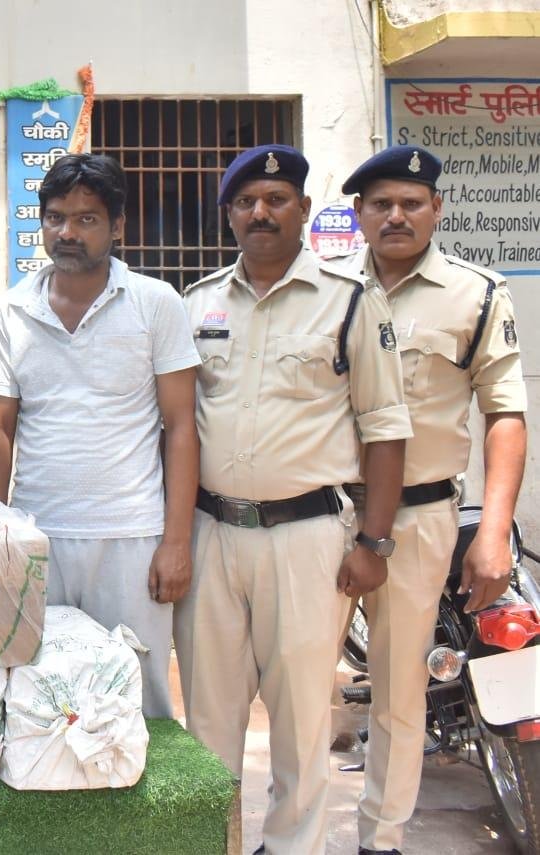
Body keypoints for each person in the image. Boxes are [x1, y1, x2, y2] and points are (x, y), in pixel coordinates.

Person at [174, 144, 411, 854]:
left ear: (304, 210)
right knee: (208, 719)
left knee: (302, 717)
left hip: (308, 537)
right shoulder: (196, 303)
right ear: (227, 215)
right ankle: (212, 843)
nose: (261, 212)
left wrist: (374, 543)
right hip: (211, 532)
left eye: (276, 200)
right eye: (246, 202)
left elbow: (385, 429)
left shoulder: (351, 301)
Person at [335, 144, 526, 855]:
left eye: (411, 203)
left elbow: (504, 414)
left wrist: (494, 532)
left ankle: (381, 839)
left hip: (419, 517)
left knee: (399, 685)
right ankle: (294, 831)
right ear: (359, 213)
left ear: (437, 209)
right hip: (326, 512)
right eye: (381, 204)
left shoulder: (476, 294)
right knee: (299, 683)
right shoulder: (326, 288)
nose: (396, 216)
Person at [0, 153, 199, 718]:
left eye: (86, 219)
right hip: (37, 533)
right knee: (39, 698)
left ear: (117, 225)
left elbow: (180, 427)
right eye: (55, 217)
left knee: (137, 699)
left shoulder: (155, 302)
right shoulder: (14, 309)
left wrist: (176, 542)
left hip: (131, 536)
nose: (67, 232)